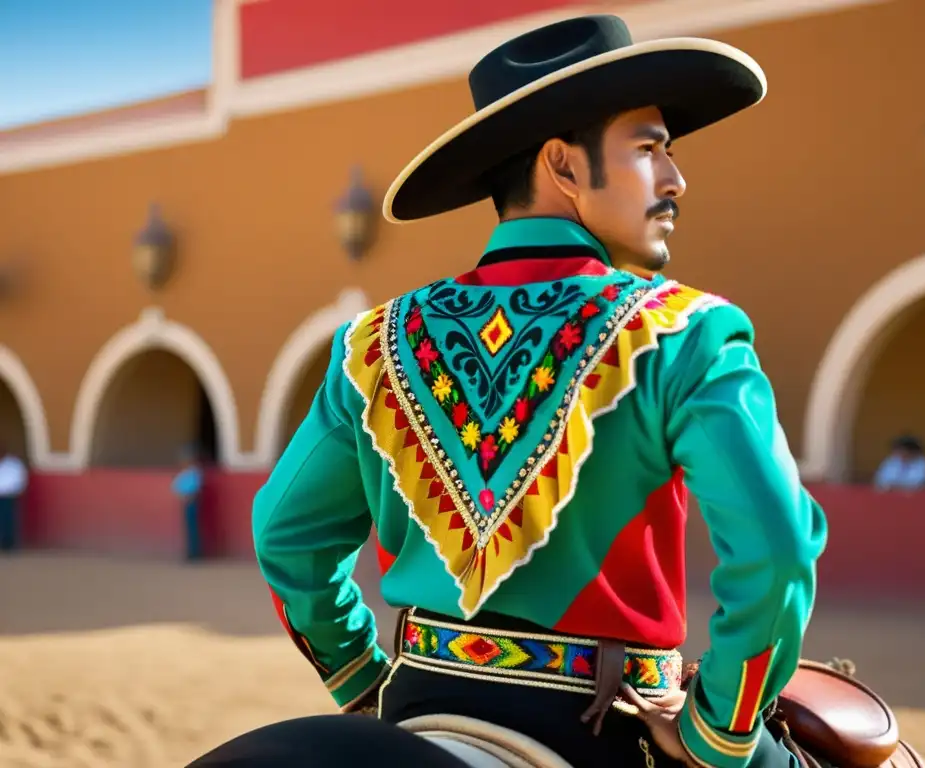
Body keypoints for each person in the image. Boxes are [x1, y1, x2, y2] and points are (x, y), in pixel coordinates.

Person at [192, 15, 827, 768]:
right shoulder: (688, 331)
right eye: (649, 148)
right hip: (607, 728)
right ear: (563, 165)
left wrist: (361, 678)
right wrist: (717, 730)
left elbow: (284, 536)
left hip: (419, 700)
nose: (675, 179)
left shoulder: (374, 343)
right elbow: (778, 549)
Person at [171, 447, 205, 561]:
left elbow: (195, 489)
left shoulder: (194, 472)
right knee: (190, 529)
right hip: (187, 503)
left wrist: (186, 496)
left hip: (191, 503)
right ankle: (192, 552)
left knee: (192, 529)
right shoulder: (188, 472)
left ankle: (194, 553)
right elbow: (176, 487)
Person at [0, 440, 28, 553]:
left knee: (8, 521)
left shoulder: (14, 463)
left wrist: (18, 490)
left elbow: (20, 478)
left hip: (9, 496)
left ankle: (8, 544)